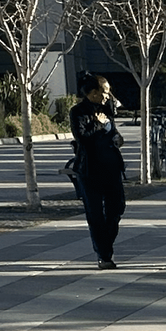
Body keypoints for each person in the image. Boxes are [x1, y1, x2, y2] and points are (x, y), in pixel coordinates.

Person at [68, 73, 127, 268]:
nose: (108, 96)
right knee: (95, 214)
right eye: (105, 92)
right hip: (90, 169)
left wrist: (117, 138)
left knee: (116, 208)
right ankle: (104, 255)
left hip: (112, 166)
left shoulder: (107, 108)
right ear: (93, 93)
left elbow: (113, 131)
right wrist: (98, 125)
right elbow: (82, 138)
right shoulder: (78, 111)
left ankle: (105, 245)